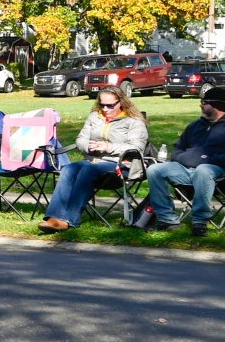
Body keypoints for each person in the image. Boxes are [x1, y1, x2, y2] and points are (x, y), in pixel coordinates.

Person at [144, 86, 225, 236]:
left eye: (204, 101)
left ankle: (199, 221)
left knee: (204, 170)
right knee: (154, 170)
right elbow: (178, 149)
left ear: (218, 105)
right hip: (187, 169)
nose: (201, 104)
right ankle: (167, 219)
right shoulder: (196, 125)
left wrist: (206, 159)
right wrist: (188, 159)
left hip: (221, 172)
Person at [38, 83, 149, 233]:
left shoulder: (134, 121)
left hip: (119, 166)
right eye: (102, 105)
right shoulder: (95, 117)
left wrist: (107, 147)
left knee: (87, 170)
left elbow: (137, 148)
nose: (105, 109)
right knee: (69, 169)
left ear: (121, 102)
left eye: (110, 106)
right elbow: (80, 139)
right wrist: (87, 146)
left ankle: (68, 220)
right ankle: (54, 217)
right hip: (91, 161)